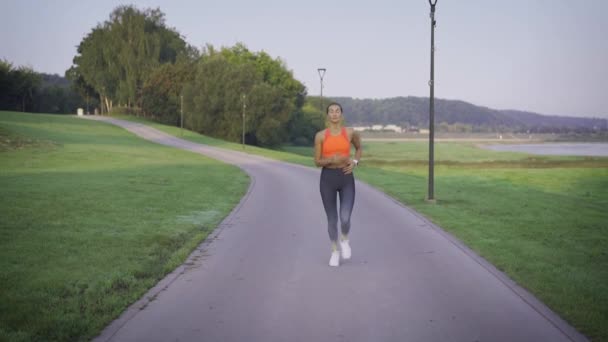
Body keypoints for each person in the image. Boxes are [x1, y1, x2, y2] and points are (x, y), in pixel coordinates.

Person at [314, 102, 362, 267]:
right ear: (328, 115)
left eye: (337, 111)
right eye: (331, 111)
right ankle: (334, 251)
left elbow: (359, 148)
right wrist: (331, 160)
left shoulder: (349, 132)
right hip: (327, 178)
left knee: (345, 217)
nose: (334, 114)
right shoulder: (320, 136)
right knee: (332, 219)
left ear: (341, 114)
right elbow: (317, 161)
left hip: (346, 177)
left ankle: (345, 239)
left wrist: (355, 161)